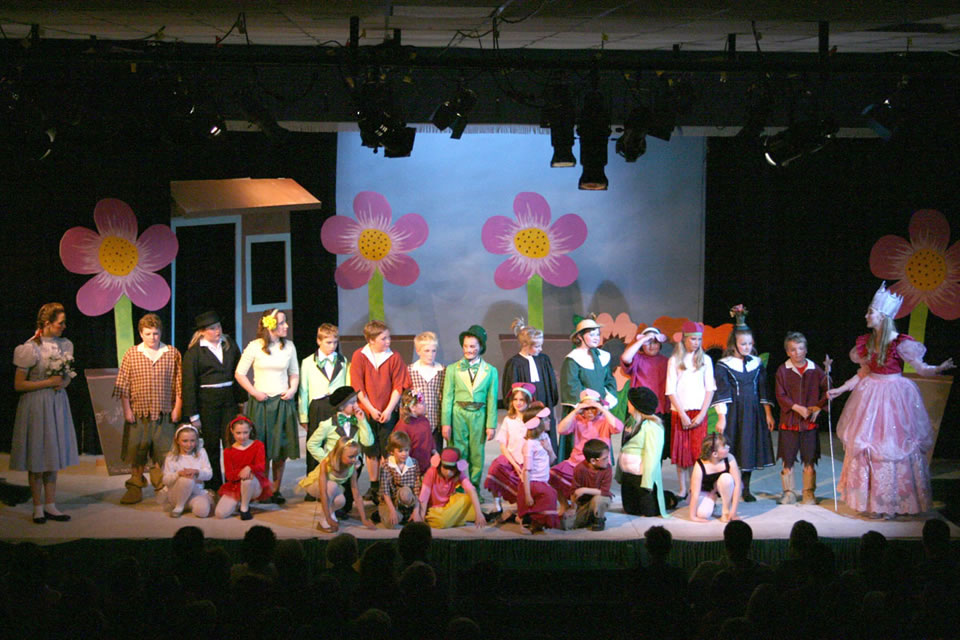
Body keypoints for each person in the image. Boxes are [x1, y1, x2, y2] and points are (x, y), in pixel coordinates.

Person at [827, 283, 954, 517]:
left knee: (892, 447)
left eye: (871, 312)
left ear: (883, 316)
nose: (866, 316)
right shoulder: (868, 342)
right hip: (870, 396)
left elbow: (921, 368)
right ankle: (872, 503)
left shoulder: (899, 342)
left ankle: (891, 504)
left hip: (894, 398)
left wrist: (937, 369)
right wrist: (841, 389)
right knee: (868, 446)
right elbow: (864, 371)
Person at [11, 302, 78, 524]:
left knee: (52, 454)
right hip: (36, 404)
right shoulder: (30, 348)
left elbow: (67, 376)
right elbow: (19, 384)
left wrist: (64, 382)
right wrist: (48, 382)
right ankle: (38, 507)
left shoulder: (65, 345)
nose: (64, 326)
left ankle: (51, 504)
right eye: (60, 323)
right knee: (38, 454)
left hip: (57, 402)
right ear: (48, 323)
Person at [114, 313, 183, 504]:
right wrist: (127, 410)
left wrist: (177, 407)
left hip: (164, 411)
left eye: (156, 333)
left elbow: (179, 383)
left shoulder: (171, 353)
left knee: (163, 451)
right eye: (148, 334)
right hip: (139, 411)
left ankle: (162, 485)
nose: (152, 338)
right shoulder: (132, 353)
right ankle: (135, 486)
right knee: (137, 450)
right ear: (140, 334)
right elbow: (123, 384)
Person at [234, 308, 299, 504]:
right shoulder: (255, 346)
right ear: (270, 325)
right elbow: (239, 373)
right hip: (261, 403)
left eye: (285, 322)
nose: (286, 326)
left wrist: (292, 389)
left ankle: (275, 489)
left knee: (280, 449)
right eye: (282, 322)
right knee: (262, 448)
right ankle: (262, 488)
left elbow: (294, 372)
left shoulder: (289, 346)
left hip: (282, 402)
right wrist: (254, 392)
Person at [713, 305, 775, 502]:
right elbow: (722, 391)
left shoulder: (756, 363)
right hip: (733, 411)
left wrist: (768, 413)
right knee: (730, 447)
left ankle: (745, 488)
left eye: (749, 343)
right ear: (734, 344)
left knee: (749, 446)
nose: (747, 347)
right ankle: (727, 486)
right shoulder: (724, 365)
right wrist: (722, 417)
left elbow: (763, 389)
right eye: (743, 344)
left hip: (753, 411)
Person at [181, 310, 246, 491]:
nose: (217, 331)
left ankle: (234, 484)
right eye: (212, 328)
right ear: (202, 332)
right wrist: (193, 415)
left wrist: (241, 401)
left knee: (231, 444)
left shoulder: (229, 345)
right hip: (207, 404)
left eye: (218, 327)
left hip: (229, 401)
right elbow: (189, 385)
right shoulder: (194, 353)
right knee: (211, 445)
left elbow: (238, 373)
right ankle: (214, 486)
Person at [350, 320, 411, 502]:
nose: (388, 341)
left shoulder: (394, 357)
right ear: (371, 340)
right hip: (367, 411)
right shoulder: (360, 356)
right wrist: (371, 409)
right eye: (383, 339)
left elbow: (398, 386)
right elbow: (358, 387)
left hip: (388, 411)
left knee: (387, 449)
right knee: (371, 449)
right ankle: (374, 485)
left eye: (388, 337)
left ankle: (387, 485)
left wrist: (388, 410)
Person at [300, 386, 373, 518]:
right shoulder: (328, 424)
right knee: (334, 491)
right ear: (341, 406)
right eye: (352, 402)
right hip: (334, 468)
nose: (356, 405)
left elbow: (368, 442)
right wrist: (327, 459)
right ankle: (330, 512)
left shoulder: (358, 422)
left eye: (356, 401)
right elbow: (312, 444)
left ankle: (344, 508)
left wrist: (363, 422)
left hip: (352, 464)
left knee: (349, 493)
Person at [440, 324, 498, 486]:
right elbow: (447, 398)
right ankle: (459, 487)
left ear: (481, 347)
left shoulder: (491, 371)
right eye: (465, 346)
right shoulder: (453, 369)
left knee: (477, 453)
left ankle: (474, 488)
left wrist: (491, 425)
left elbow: (492, 399)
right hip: (459, 414)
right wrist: (446, 423)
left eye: (472, 346)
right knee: (459, 451)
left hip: (479, 415)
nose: (468, 350)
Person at [774, 331, 828, 505]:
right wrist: (796, 408)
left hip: (808, 424)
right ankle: (789, 492)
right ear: (787, 352)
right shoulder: (783, 370)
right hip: (789, 422)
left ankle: (808, 493)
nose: (797, 353)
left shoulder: (815, 370)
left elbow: (827, 390)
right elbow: (780, 395)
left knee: (809, 458)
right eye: (793, 349)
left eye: (800, 348)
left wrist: (819, 406)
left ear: (806, 349)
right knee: (787, 458)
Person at [666, 320, 716, 500]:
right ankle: (682, 488)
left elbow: (710, 389)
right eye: (693, 339)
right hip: (680, 412)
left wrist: (702, 414)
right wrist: (682, 414)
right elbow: (670, 390)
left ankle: (697, 486)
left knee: (698, 451)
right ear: (685, 339)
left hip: (698, 413)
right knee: (682, 452)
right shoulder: (675, 360)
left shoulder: (706, 360)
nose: (696, 343)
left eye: (699, 339)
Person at [550, 389, 623, 505]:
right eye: (586, 408)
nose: (589, 412)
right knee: (552, 475)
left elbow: (618, 428)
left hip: (597, 462)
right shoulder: (578, 419)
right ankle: (565, 505)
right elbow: (561, 429)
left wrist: (603, 409)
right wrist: (575, 411)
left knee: (592, 489)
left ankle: (583, 505)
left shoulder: (604, 420)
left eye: (593, 408)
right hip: (577, 461)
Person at [560, 314, 618, 458]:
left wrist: (605, 402)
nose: (596, 337)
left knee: (600, 442)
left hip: (599, 409)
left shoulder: (603, 356)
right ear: (580, 337)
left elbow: (609, 381)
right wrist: (587, 405)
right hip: (581, 411)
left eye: (597, 334)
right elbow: (571, 386)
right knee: (580, 447)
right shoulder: (572, 359)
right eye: (591, 335)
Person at [298, 323, 349, 482]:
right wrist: (304, 416)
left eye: (335, 342)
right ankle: (313, 482)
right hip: (317, 406)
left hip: (337, 406)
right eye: (328, 342)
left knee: (338, 443)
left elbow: (347, 387)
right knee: (316, 443)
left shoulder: (343, 361)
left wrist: (349, 409)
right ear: (319, 341)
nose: (332, 346)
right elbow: (303, 390)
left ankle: (338, 481)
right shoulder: (308, 362)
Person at [501, 318, 559, 450]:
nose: (540, 349)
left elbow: (551, 385)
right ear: (525, 345)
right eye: (537, 346)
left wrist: (551, 403)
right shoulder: (515, 363)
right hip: (526, 409)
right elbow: (511, 390)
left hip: (544, 405)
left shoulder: (544, 360)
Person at [619, 386, 671, 517]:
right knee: (630, 509)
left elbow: (652, 455)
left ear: (636, 406)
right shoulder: (631, 422)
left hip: (641, 476)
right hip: (628, 475)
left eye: (630, 402)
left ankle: (670, 499)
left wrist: (647, 481)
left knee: (649, 512)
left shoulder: (653, 427)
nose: (628, 404)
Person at [484, 382, 534, 517]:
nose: (518, 403)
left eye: (521, 400)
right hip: (511, 458)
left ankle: (522, 505)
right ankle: (497, 505)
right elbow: (503, 446)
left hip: (527, 460)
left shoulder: (533, 421)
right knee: (496, 467)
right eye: (515, 399)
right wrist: (514, 464)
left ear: (528, 402)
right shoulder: (508, 420)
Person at [620, 326, 671, 459]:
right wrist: (644, 339)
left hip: (658, 409)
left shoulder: (666, 361)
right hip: (638, 410)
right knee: (635, 446)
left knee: (655, 448)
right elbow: (625, 358)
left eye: (655, 342)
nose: (651, 346)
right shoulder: (637, 358)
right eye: (648, 343)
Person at [309, 436, 374, 533]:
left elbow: (356, 494)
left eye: (356, 456)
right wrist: (328, 518)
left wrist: (364, 519)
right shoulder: (326, 464)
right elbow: (323, 492)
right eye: (351, 457)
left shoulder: (352, 468)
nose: (354, 460)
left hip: (332, 488)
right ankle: (324, 519)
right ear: (339, 454)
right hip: (316, 485)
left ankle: (329, 514)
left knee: (341, 501)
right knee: (332, 486)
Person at [216, 415, 272, 519]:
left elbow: (261, 466)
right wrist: (241, 472)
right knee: (220, 514)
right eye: (238, 433)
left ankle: (244, 508)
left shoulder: (258, 445)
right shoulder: (228, 451)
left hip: (254, 484)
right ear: (232, 431)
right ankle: (240, 501)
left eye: (245, 432)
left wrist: (249, 468)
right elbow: (229, 475)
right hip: (235, 486)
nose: (242, 436)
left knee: (247, 480)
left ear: (250, 430)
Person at [418, 448, 487, 529]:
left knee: (469, 499)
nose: (448, 472)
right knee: (442, 522)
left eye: (452, 469)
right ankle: (455, 519)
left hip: (448, 505)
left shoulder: (458, 473)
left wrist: (479, 513)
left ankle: (454, 518)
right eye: (445, 468)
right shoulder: (432, 472)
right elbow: (424, 496)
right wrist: (421, 518)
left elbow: (471, 490)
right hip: (433, 509)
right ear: (440, 464)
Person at [519, 406, 561, 533]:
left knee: (551, 494)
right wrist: (527, 494)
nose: (549, 421)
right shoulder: (530, 444)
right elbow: (527, 471)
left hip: (543, 480)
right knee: (550, 495)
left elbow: (552, 460)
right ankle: (527, 520)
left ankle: (537, 521)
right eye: (546, 419)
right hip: (533, 482)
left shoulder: (545, 437)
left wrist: (549, 449)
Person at [158, 424, 213, 518]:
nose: (189, 444)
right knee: (187, 480)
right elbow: (166, 480)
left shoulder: (201, 452)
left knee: (202, 512)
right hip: (176, 493)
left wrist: (197, 472)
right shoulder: (171, 456)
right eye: (185, 441)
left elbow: (209, 474)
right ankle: (179, 506)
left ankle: (187, 504)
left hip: (195, 492)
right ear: (177, 441)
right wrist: (178, 474)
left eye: (192, 441)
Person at [688, 433, 741, 523]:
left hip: (723, 487)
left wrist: (733, 511)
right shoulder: (700, 465)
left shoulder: (729, 458)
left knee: (727, 478)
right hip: (706, 491)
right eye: (724, 447)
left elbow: (737, 484)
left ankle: (725, 510)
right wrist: (692, 516)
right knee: (703, 514)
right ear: (715, 454)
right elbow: (695, 493)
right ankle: (713, 501)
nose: (728, 447)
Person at [564, 438, 613, 531]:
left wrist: (584, 490)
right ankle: (590, 517)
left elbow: (605, 491)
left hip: (599, 499)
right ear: (593, 461)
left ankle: (598, 519)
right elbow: (574, 492)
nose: (608, 460)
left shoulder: (607, 469)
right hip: (584, 505)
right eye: (605, 458)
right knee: (566, 524)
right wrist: (573, 508)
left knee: (600, 499)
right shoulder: (580, 469)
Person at [408, 331, 445, 452]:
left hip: (436, 422)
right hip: (416, 422)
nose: (430, 355)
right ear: (418, 351)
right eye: (427, 351)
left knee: (436, 453)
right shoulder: (411, 370)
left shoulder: (442, 370)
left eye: (433, 351)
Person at [377, 431, 423, 529]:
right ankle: (388, 512)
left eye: (406, 450)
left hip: (407, 499)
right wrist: (392, 511)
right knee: (391, 523)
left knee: (405, 493)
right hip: (392, 500)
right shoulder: (386, 465)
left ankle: (407, 513)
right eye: (400, 451)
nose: (404, 454)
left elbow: (417, 489)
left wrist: (416, 511)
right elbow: (385, 491)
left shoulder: (414, 463)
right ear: (392, 451)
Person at [394, 389, 437, 477]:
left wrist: (435, 452)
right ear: (412, 407)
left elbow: (430, 439)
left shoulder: (424, 421)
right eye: (422, 403)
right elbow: (399, 449)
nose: (425, 405)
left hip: (426, 466)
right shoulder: (403, 426)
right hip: (409, 470)